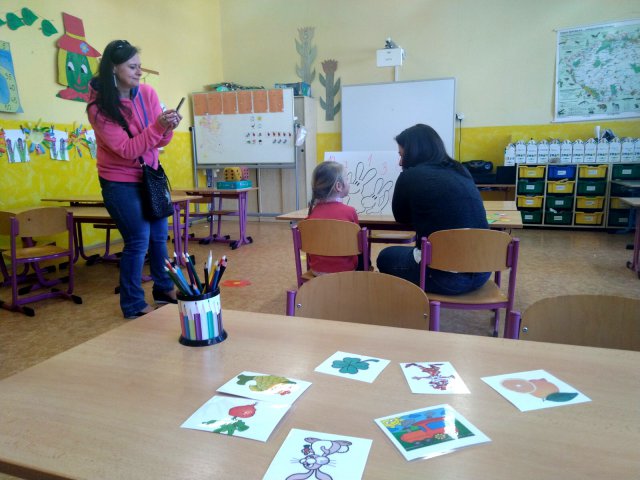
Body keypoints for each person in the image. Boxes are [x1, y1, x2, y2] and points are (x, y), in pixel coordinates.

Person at [86, 40, 182, 319]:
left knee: (159, 237)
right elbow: (127, 150)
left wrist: (167, 127)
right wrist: (158, 127)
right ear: (113, 69)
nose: (139, 72)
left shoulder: (148, 93)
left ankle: (164, 289)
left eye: (140, 66)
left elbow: (158, 141)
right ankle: (132, 304)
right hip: (119, 181)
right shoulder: (99, 107)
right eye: (132, 67)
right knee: (138, 240)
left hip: (150, 175)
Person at [376, 124, 490, 294]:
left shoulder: (409, 176)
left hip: (443, 278)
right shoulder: (461, 170)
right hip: (483, 271)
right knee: (421, 250)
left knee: (385, 256)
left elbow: (401, 218)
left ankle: (407, 299)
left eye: (401, 155)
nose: (400, 162)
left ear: (413, 153)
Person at [306, 161, 362, 275]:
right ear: (339, 186)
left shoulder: (311, 215)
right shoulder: (350, 212)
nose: (349, 182)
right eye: (347, 179)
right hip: (345, 270)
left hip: (317, 270)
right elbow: (359, 245)